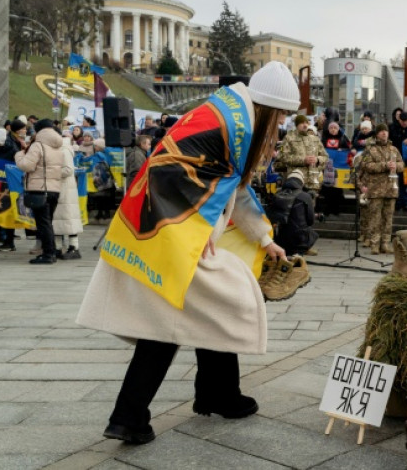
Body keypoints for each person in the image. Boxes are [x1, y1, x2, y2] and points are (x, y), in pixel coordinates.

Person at [76, 62, 294, 445]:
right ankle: (130, 416)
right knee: (175, 324)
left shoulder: (230, 121)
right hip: (175, 235)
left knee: (205, 311)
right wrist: (196, 224)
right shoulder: (231, 125)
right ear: (266, 109)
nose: (279, 126)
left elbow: (233, 189)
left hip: (176, 233)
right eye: (279, 117)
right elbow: (168, 170)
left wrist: (263, 239)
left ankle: (216, 394)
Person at [15, 119, 65, 264]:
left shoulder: (38, 145)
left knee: (43, 223)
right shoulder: (57, 146)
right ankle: (51, 251)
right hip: (54, 189)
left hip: (39, 188)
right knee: (48, 222)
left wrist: (19, 154)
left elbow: (26, 166)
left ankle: (48, 254)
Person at [360, 123, 403, 255]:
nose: (384, 133)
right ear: (377, 134)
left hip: (391, 188)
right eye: (381, 131)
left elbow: (402, 165)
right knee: (375, 218)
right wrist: (385, 165)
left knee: (388, 218)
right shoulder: (370, 150)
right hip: (376, 189)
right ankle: (374, 244)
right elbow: (366, 165)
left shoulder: (394, 149)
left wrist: (396, 166)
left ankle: (385, 243)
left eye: (386, 131)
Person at [276, 114, 328, 201]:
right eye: (302, 123)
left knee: (310, 209)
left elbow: (325, 157)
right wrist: (303, 160)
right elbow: (282, 157)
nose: (305, 125)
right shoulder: (289, 138)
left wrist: (317, 159)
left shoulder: (315, 139)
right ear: (296, 125)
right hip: (295, 181)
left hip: (312, 182)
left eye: (306, 123)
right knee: (296, 208)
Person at [267, 171, 318, 256]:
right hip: (299, 239)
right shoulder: (305, 196)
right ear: (301, 182)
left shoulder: (277, 194)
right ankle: (301, 252)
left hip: (280, 239)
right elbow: (310, 221)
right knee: (312, 234)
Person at [53, 128, 84, 260]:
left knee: (68, 218)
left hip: (65, 189)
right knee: (58, 219)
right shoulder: (58, 148)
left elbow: (68, 170)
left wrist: (51, 172)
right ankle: (58, 248)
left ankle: (74, 247)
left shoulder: (64, 149)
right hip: (59, 187)